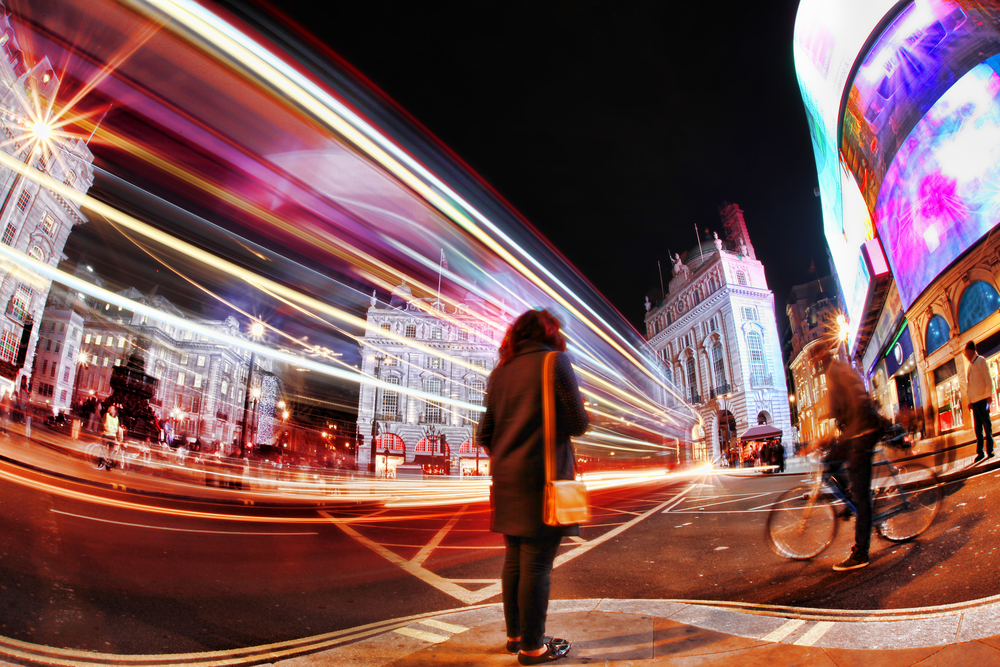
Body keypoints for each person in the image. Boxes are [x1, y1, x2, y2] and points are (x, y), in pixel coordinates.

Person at [476, 309, 589, 665]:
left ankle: (515, 637)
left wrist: (510, 454)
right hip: (544, 478)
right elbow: (577, 422)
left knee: (514, 558)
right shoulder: (555, 363)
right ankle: (533, 647)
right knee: (538, 564)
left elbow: (484, 434)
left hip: (507, 479)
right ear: (549, 333)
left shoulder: (499, 373)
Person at [810, 344, 886, 571]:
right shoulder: (833, 372)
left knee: (862, 499)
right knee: (829, 463)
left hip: (863, 432)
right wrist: (825, 440)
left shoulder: (838, 371)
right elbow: (837, 411)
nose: (812, 363)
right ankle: (852, 495)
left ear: (822, 355)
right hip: (854, 431)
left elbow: (858, 401)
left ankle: (861, 552)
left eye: (813, 358)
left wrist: (853, 439)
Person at [964, 341, 995, 463]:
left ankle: (990, 450)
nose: (965, 355)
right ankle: (980, 452)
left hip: (983, 399)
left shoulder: (981, 361)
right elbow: (969, 386)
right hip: (975, 402)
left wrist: (989, 396)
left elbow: (988, 379)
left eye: (966, 353)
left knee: (987, 426)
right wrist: (969, 401)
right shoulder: (970, 366)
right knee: (978, 429)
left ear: (971, 351)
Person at [102, 404, 122, 470]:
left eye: (113, 409)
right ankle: (101, 463)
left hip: (112, 436)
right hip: (106, 435)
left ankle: (108, 466)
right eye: (111, 408)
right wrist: (102, 430)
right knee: (103, 450)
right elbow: (102, 423)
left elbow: (117, 428)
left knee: (110, 452)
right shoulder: (106, 415)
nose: (112, 410)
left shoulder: (116, 418)